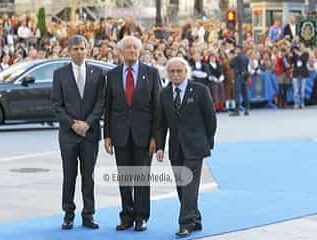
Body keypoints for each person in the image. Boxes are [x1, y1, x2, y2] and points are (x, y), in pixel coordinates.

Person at [104, 35, 161, 232]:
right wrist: (107, 135)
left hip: (144, 136)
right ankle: (126, 215)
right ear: (121, 52)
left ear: (139, 51)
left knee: (142, 178)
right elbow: (108, 107)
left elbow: (157, 108)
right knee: (125, 178)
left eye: (135, 48)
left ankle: (141, 216)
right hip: (120, 135)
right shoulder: (112, 75)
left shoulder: (151, 73)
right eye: (127, 47)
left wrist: (156, 137)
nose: (132, 50)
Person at [156, 57, 216, 238]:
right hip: (175, 148)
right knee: (181, 186)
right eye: (172, 71)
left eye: (179, 71)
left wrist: (207, 142)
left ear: (186, 72)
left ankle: (185, 223)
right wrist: (159, 147)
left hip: (195, 147)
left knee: (189, 185)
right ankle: (195, 218)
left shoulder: (200, 90)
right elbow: (161, 124)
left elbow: (210, 118)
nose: (175, 75)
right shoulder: (164, 94)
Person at [51, 35, 105, 230]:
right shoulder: (60, 74)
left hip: (90, 134)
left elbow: (101, 102)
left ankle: (88, 214)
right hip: (68, 135)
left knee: (88, 176)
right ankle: (68, 213)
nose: (79, 52)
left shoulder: (98, 73)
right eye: (75, 49)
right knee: (69, 175)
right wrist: (72, 124)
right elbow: (56, 105)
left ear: (87, 49)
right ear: (69, 51)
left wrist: (88, 123)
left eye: (82, 48)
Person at [229, 44, 250, 116]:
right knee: (245, 93)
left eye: (236, 49)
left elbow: (231, 65)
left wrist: (232, 58)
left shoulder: (237, 57)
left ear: (239, 49)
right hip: (244, 75)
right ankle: (247, 109)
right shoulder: (246, 57)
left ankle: (237, 110)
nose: (235, 50)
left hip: (238, 75)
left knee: (237, 93)